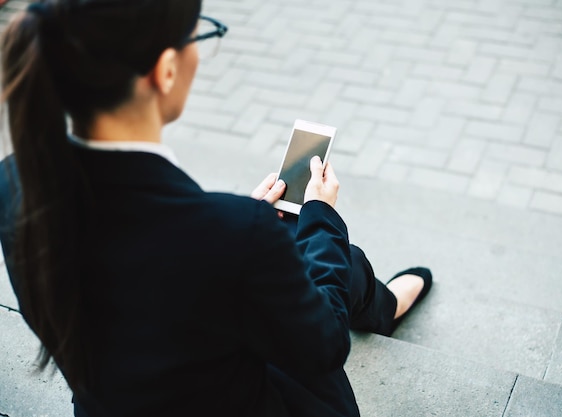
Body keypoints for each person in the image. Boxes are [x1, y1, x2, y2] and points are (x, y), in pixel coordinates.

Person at [0, 1, 432, 416]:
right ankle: (384, 305)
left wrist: (238, 224)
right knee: (325, 252)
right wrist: (320, 218)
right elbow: (324, 345)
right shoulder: (235, 234)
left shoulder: (13, 182)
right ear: (165, 70)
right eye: (198, 36)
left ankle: (382, 302)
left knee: (300, 250)